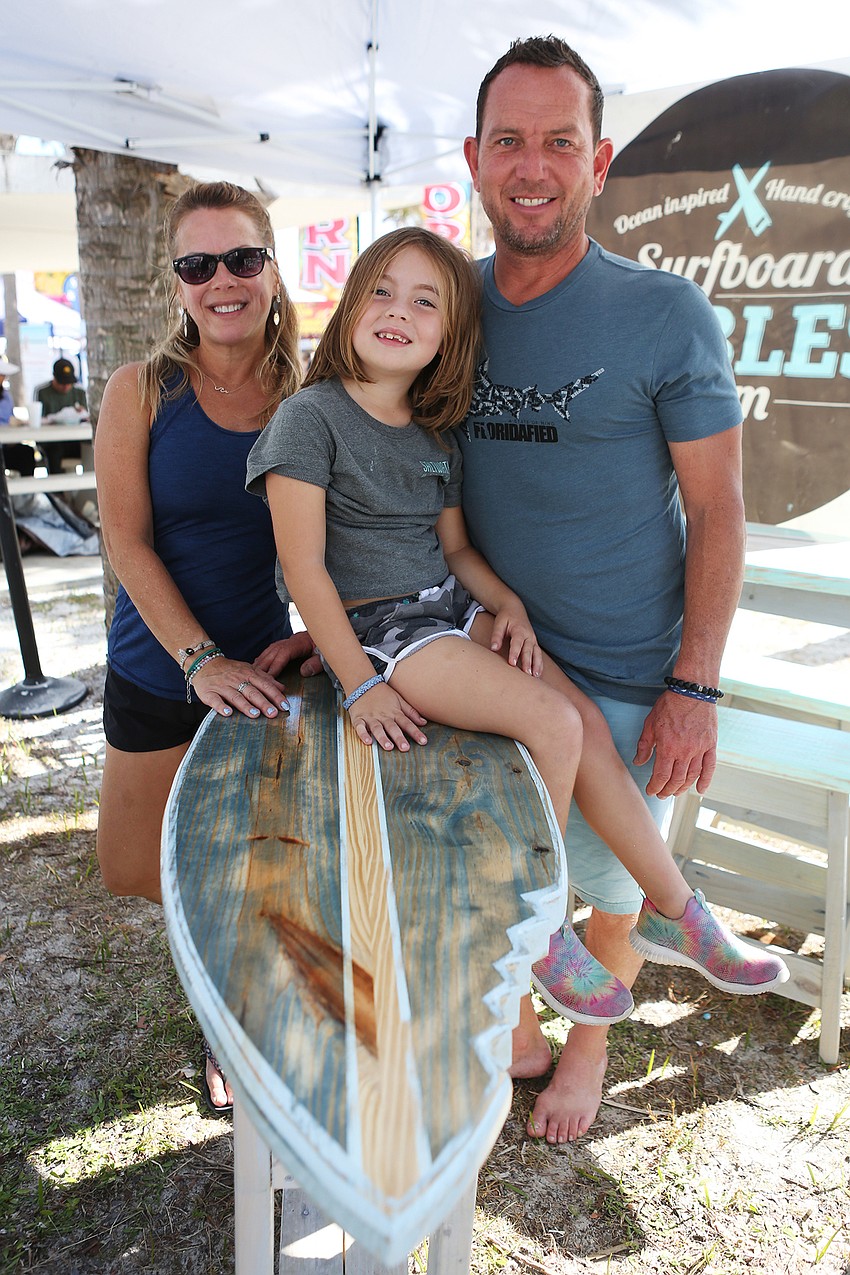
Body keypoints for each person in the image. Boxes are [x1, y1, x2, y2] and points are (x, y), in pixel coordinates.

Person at [246, 227, 786, 1044]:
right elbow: (305, 571)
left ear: (451, 335)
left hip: (453, 607)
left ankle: (677, 910)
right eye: (384, 291)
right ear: (351, 302)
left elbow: (458, 549)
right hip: (386, 630)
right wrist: (358, 682)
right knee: (553, 721)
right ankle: (537, 925)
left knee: (591, 729)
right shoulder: (308, 419)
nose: (401, 312)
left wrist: (510, 606)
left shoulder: (434, 430)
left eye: (426, 301)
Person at [458, 36, 756, 1144]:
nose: (531, 165)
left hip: (636, 662)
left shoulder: (664, 311)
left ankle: (586, 1054)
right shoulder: (444, 300)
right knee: (494, 867)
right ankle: (524, 1031)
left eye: (558, 142)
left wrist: (698, 682)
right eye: (508, 140)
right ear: (474, 158)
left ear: (599, 161)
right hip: (496, 662)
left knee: (614, 891)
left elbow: (719, 510)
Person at [94, 180, 312, 1113]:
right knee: (136, 865)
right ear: (176, 284)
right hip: (157, 667)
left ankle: (233, 1014)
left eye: (242, 258)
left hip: (261, 672)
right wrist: (195, 660)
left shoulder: (311, 393)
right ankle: (225, 978)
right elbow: (125, 539)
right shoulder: (140, 390)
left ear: (270, 268)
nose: (222, 279)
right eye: (199, 264)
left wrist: (312, 632)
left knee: (255, 862)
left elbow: (333, 535)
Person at [35, 357, 89, 473]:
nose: (66, 387)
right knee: (54, 451)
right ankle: (57, 490)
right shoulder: (43, 392)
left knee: (90, 448)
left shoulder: (79, 392)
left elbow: (85, 417)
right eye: (62, 383)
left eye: (69, 383)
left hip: (76, 439)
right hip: (53, 441)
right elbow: (40, 419)